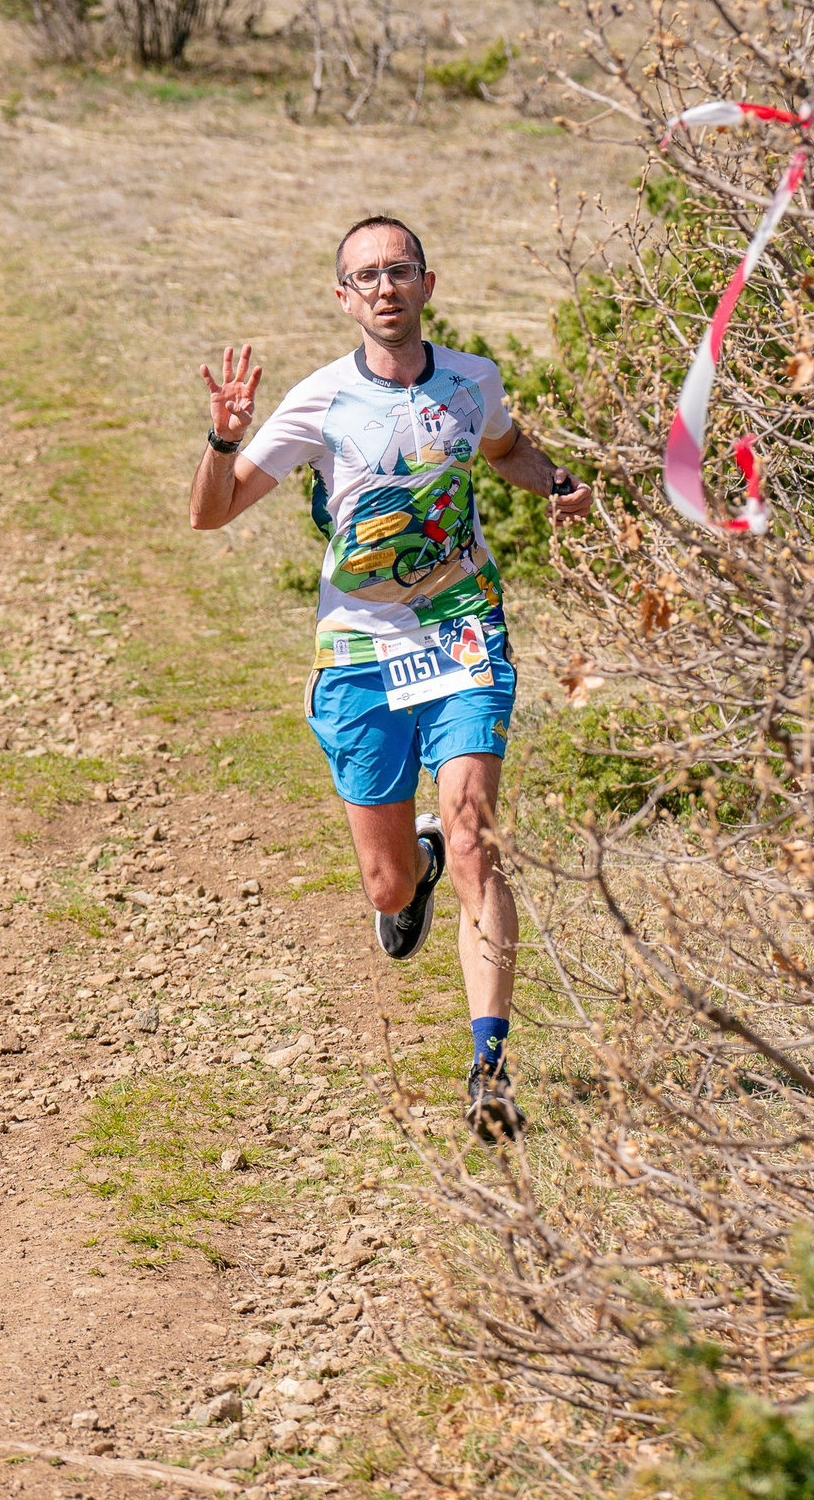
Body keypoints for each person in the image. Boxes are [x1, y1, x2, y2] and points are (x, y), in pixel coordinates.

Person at [186, 216, 592, 1142]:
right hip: (361, 653)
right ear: (344, 298)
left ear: (427, 283)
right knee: (386, 887)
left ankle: (489, 1069)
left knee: (479, 841)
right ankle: (415, 872)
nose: (384, 287)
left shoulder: (469, 381)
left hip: (461, 634)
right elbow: (212, 516)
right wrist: (221, 441)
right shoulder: (319, 402)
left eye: (399, 270)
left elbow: (503, 449)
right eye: (365, 276)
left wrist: (554, 481)